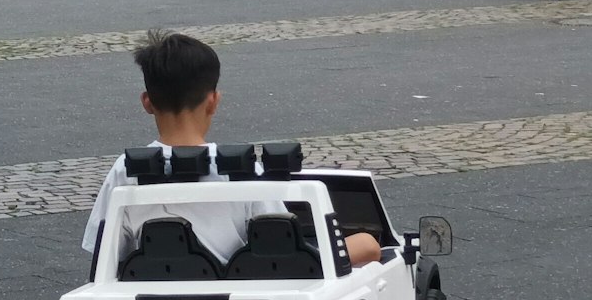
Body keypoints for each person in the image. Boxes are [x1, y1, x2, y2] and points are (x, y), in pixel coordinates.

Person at [81, 31, 385, 268]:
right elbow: (281, 244)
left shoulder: (126, 169)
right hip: (238, 297)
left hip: (145, 298)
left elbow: (104, 253)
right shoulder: (240, 170)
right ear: (213, 100)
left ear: (147, 102)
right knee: (368, 244)